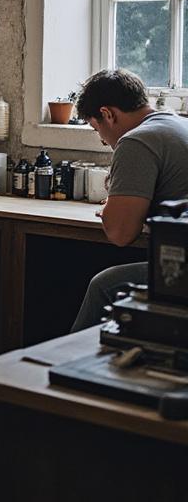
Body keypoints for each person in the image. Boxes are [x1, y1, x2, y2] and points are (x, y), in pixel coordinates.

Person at [72, 69, 188, 330]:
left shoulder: (137, 140)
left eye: (96, 128)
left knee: (105, 285)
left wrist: (112, 211)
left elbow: (120, 233)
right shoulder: (178, 123)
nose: (103, 140)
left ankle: (61, 366)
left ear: (108, 114)